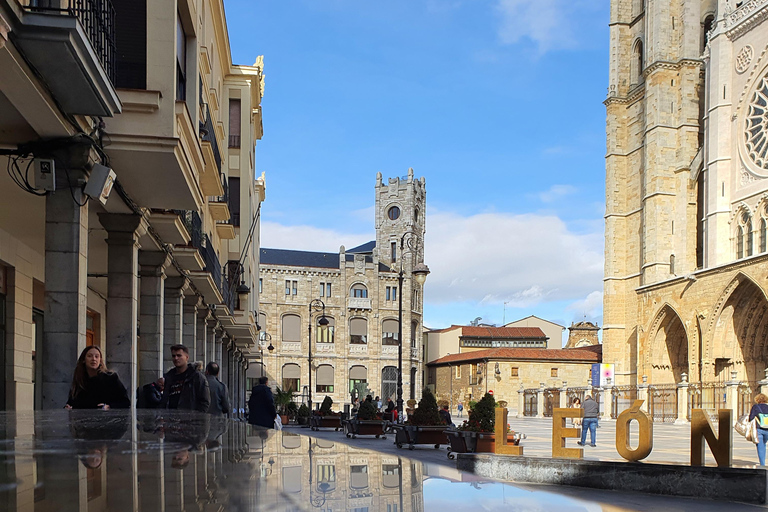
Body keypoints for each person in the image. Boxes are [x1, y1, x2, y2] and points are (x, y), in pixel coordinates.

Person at [65, 345, 130, 409]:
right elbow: (71, 402)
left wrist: (109, 406)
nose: (93, 359)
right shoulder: (79, 379)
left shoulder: (111, 378)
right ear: (83, 360)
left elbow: (125, 402)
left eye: (97, 356)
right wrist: (68, 407)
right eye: (89, 356)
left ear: (100, 360)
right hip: (83, 418)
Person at [160, 344, 210, 412]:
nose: (176, 358)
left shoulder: (197, 377)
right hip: (170, 419)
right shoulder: (169, 376)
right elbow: (165, 400)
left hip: (189, 420)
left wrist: (196, 419)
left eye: (179, 355)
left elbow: (205, 402)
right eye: (173, 356)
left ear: (187, 357)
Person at [749, 393, 768, 465]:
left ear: (757, 399)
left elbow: (751, 418)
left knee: (760, 446)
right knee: (764, 444)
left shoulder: (755, 407)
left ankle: (762, 464)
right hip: (767, 429)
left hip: (759, 429)